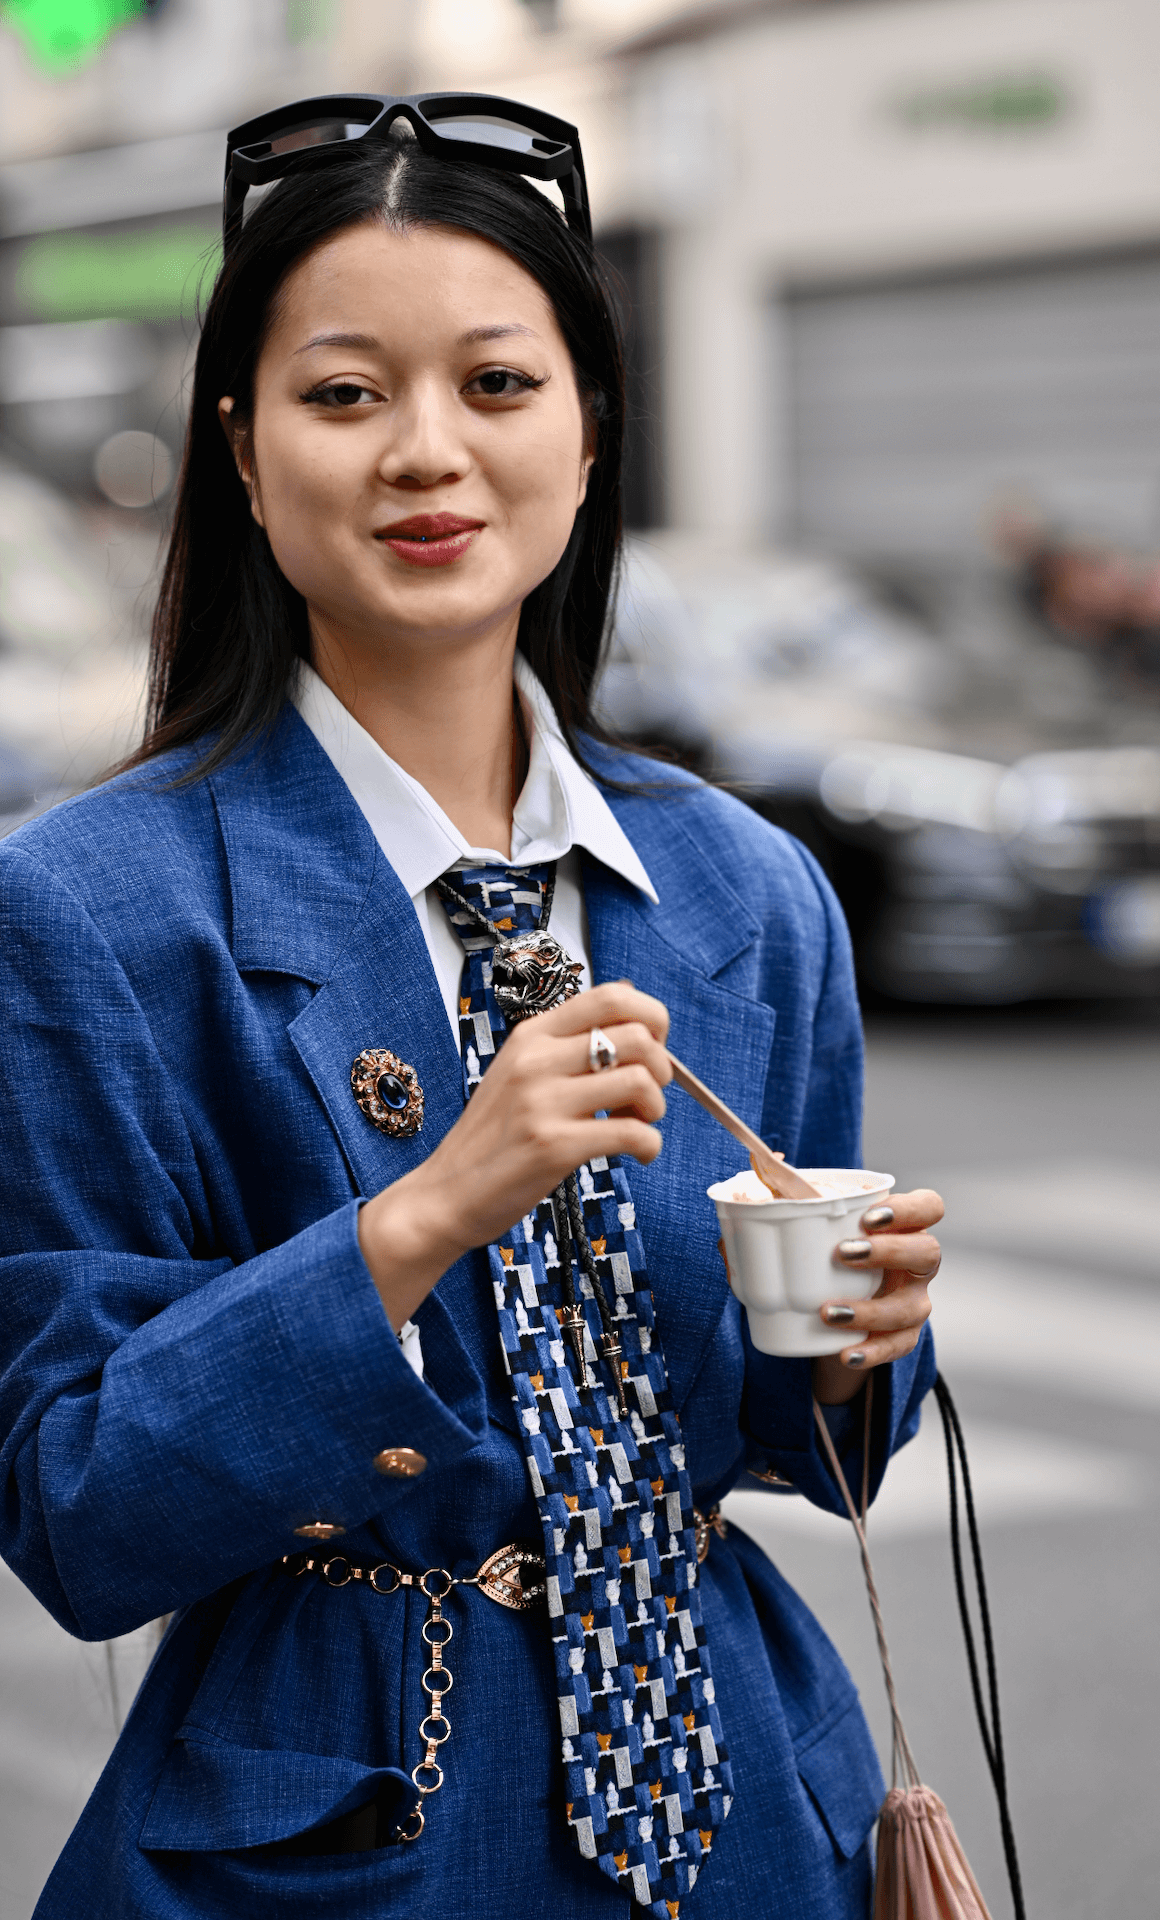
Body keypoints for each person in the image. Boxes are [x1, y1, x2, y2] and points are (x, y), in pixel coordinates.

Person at [0, 95, 943, 1919]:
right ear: (246, 457)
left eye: (499, 386)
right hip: (340, 1819)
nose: (427, 452)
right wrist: (426, 1214)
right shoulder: (86, 908)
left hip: (753, 1806)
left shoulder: (749, 891)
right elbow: (76, 1505)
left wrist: (855, 1352)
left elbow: (793, 1444)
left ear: (590, 436)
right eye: (345, 395)